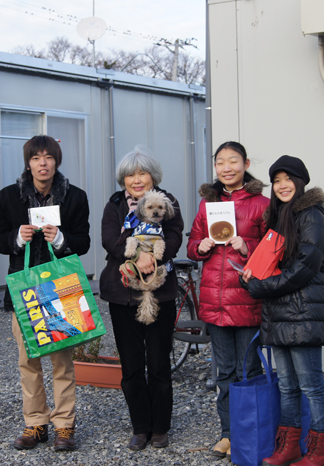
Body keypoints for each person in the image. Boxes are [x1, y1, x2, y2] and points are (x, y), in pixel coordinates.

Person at [0, 135, 90, 452]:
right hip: (24, 290)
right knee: (28, 360)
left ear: (56, 161)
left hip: (61, 289)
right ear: (28, 163)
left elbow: (84, 242)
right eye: (36, 158)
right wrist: (17, 238)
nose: (42, 163)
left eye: (48, 157)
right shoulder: (9, 197)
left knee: (62, 361)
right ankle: (35, 423)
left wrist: (60, 238)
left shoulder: (74, 197)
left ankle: (64, 425)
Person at [240, 155, 324, 466]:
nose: (282, 185)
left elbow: (304, 269)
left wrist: (261, 287)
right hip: (279, 314)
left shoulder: (312, 216)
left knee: (311, 386)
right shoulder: (278, 218)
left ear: (300, 182)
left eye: (288, 179)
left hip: (303, 314)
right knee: (287, 386)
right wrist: (250, 277)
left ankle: (321, 450)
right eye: (277, 180)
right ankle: (289, 447)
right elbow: (268, 265)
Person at [186, 141, 269, 458]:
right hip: (215, 301)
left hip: (247, 300)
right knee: (224, 373)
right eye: (220, 162)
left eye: (233, 161)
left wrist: (247, 246)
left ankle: (253, 435)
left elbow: (274, 249)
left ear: (246, 164)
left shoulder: (262, 204)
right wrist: (200, 246)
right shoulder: (208, 204)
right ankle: (228, 434)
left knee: (250, 371)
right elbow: (192, 244)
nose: (226, 168)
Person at [99, 146, 184, 451]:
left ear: (153, 177)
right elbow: (109, 240)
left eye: (142, 173)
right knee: (131, 364)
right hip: (122, 293)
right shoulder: (114, 205)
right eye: (130, 175)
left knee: (159, 362)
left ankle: (160, 427)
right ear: (123, 179)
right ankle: (140, 426)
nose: (136, 179)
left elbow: (174, 236)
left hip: (159, 290)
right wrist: (136, 255)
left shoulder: (166, 202)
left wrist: (154, 257)